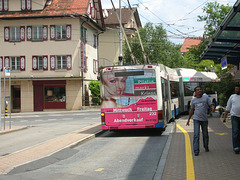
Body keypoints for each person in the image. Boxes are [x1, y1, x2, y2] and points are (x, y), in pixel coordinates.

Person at [186, 86, 215, 156]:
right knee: (196, 134)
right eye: (198, 90)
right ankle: (196, 150)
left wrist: (212, 108)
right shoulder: (194, 100)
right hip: (196, 119)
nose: (199, 91)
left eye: (200, 90)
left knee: (205, 134)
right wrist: (188, 120)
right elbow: (192, 110)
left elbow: (210, 105)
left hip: (204, 119)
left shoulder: (205, 97)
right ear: (195, 92)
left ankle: (206, 146)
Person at [223, 84, 240, 154]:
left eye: (237, 89)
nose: (236, 90)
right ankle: (236, 147)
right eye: (235, 89)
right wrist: (224, 117)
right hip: (234, 116)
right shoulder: (232, 97)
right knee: (235, 131)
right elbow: (228, 107)